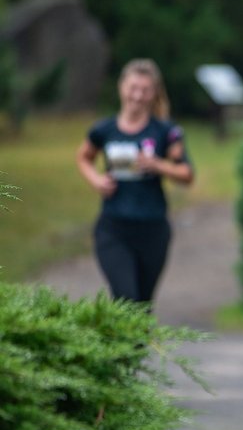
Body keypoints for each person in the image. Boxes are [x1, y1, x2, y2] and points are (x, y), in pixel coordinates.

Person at [76, 58, 194, 305]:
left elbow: (186, 174)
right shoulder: (104, 130)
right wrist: (96, 180)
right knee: (125, 299)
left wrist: (158, 165)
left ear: (155, 93)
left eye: (145, 90)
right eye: (133, 88)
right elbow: (83, 157)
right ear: (122, 87)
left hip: (153, 230)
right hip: (113, 228)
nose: (138, 96)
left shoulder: (165, 132)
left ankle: (130, 333)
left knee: (142, 306)